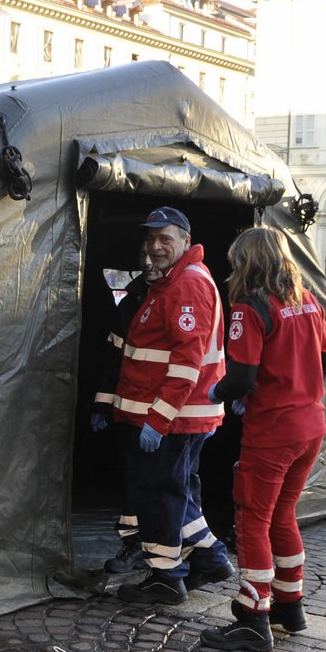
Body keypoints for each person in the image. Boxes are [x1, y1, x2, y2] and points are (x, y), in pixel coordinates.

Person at [200, 227, 326, 651]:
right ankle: (290, 609)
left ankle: (252, 617)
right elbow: (325, 360)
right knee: (284, 515)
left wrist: (215, 392)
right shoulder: (307, 301)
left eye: (237, 260)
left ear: (249, 262)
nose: (233, 268)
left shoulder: (248, 307)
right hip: (311, 425)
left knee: (252, 519)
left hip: (273, 431)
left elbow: (241, 376)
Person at [110, 206, 236, 606]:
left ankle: (166, 577)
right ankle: (211, 557)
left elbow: (186, 362)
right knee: (174, 491)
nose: (156, 246)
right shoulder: (170, 283)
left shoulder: (187, 285)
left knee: (161, 495)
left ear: (186, 240)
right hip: (172, 415)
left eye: (165, 238)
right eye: (150, 239)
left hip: (175, 418)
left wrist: (158, 420)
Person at [88, 247, 163, 576]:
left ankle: (177, 553)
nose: (146, 261)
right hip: (134, 413)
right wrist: (102, 405)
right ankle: (137, 545)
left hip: (172, 415)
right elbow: (113, 357)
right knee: (135, 479)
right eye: (142, 254)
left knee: (176, 483)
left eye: (154, 255)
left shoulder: (183, 296)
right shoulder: (131, 302)